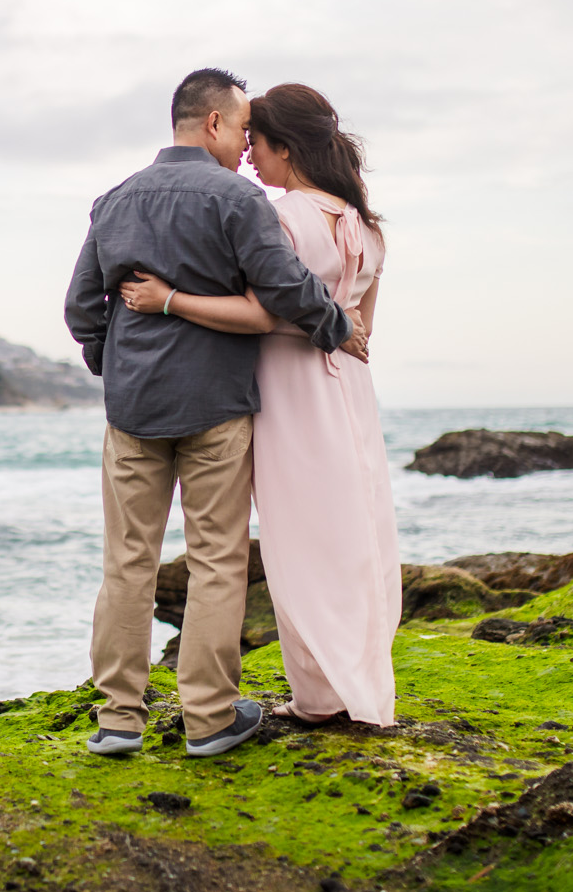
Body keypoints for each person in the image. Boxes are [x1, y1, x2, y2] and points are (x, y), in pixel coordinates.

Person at [65, 69, 364, 758]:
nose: (244, 148)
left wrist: (115, 367)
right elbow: (284, 283)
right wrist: (334, 325)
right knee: (218, 561)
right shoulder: (236, 197)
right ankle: (208, 717)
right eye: (241, 131)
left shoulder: (114, 200)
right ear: (213, 124)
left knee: (127, 562)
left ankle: (118, 719)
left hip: (133, 410)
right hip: (215, 407)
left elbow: (82, 309)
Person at [118, 83, 398, 728]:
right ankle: (357, 682)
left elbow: (260, 313)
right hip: (348, 389)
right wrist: (331, 324)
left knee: (299, 541)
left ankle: (321, 697)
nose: (249, 156)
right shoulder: (366, 226)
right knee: (355, 532)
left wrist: (170, 301)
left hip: (289, 390)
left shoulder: (281, 217)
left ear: (284, 148)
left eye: (258, 144)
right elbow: (360, 330)